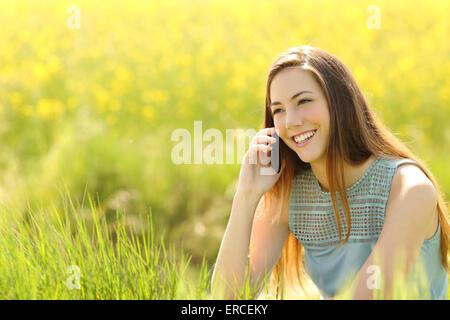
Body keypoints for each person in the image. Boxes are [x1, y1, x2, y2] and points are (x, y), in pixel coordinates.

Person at [211, 45, 449, 300]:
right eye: (278, 110)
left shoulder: (410, 190)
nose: (290, 121)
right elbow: (225, 300)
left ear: (340, 102)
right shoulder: (291, 191)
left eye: (303, 101)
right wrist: (246, 195)